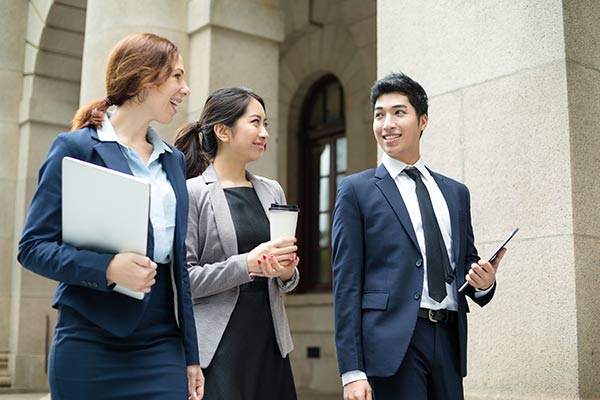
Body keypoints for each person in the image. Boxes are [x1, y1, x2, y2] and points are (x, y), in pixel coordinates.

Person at [18, 32, 203, 399]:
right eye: (178, 77)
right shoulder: (76, 148)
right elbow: (33, 247)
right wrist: (106, 268)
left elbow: (178, 267)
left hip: (162, 342)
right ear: (146, 79)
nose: (186, 90)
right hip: (89, 339)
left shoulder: (174, 160)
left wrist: (191, 355)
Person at [331, 72, 507, 400]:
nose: (387, 124)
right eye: (379, 115)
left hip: (449, 339)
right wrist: (352, 370)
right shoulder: (356, 190)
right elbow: (346, 285)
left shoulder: (455, 193)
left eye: (399, 112)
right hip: (392, 344)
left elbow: (465, 261)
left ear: (422, 120)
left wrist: (485, 283)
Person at [174, 87, 300, 400]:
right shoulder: (192, 194)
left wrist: (286, 272)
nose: (265, 133)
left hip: (271, 342)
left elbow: (286, 280)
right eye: (255, 123)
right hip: (219, 349)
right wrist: (246, 265)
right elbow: (184, 281)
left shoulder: (272, 191)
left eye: (266, 124)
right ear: (223, 131)